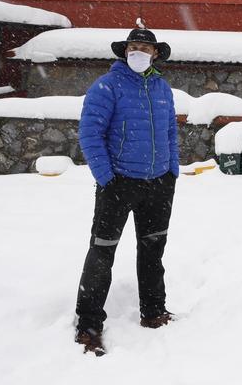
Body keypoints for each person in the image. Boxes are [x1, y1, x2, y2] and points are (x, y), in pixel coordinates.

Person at [73, 27, 180, 356]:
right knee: (102, 252)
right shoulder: (108, 86)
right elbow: (89, 133)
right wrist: (107, 177)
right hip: (119, 183)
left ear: (155, 54)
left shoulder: (162, 88)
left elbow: (171, 132)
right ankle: (89, 324)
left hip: (159, 183)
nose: (139, 52)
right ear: (124, 51)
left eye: (145, 48)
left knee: (152, 253)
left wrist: (172, 170)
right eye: (134, 47)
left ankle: (153, 311)